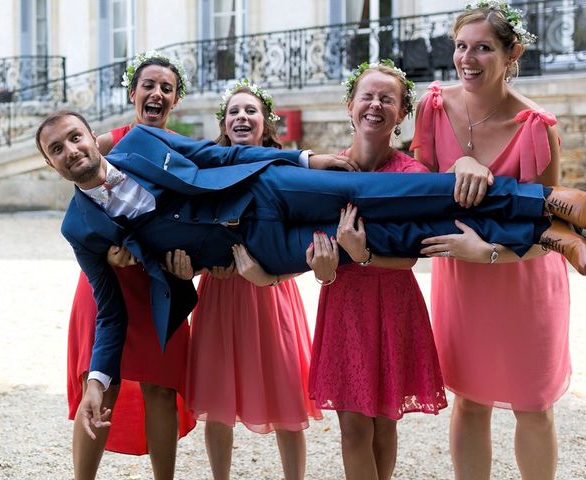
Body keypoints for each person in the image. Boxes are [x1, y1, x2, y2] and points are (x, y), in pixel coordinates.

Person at [35, 108, 586, 439]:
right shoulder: (80, 229)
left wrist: (302, 159)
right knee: (388, 235)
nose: (70, 151)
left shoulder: (139, 142)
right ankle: (540, 237)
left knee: (392, 193)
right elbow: (111, 311)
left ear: (92, 136)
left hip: (265, 188)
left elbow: (213, 156)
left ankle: (550, 202)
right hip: (260, 246)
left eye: (74, 138)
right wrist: (96, 381)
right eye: (56, 150)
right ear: (51, 164)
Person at [410, 2, 576, 478]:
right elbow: (417, 186)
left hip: (521, 279)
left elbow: (553, 229)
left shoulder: (535, 127)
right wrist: (457, 166)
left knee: (533, 405)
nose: (468, 58)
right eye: (461, 46)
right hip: (462, 283)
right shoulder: (434, 106)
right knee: (470, 400)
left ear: (511, 53)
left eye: (483, 48)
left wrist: (489, 252)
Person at [304, 61, 447, 480]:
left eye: (388, 99)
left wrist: (363, 255)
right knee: (352, 427)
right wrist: (324, 270)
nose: (376, 105)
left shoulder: (413, 175)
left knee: (386, 422)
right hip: (345, 303)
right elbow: (312, 247)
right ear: (350, 105)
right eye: (367, 96)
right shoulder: (325, 172)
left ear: (402, 114)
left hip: (394, 302)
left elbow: (413, 256)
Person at [66, 51, 195, 480]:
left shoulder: (182, 149)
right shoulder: (103, 143)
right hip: (108, 284)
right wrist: (104, 251)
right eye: (149, 85)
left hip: (161, 284)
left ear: (174, 100)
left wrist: (189, 265)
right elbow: (81, 209)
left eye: (166, 88)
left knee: (162, 387)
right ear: (133, 92)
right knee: (102, 384)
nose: (156, 93)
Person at [185, 80, 322, 480]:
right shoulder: (206, 168)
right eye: (234, 111)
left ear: (266, 122)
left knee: (285, 390)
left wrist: (271, 274)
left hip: (271, 292)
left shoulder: (284, 167)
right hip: (220, 292)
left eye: (250, 111)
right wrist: (203, 263)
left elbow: (303, 236)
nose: (241, 117)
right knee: (217, 393)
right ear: (224, 123)